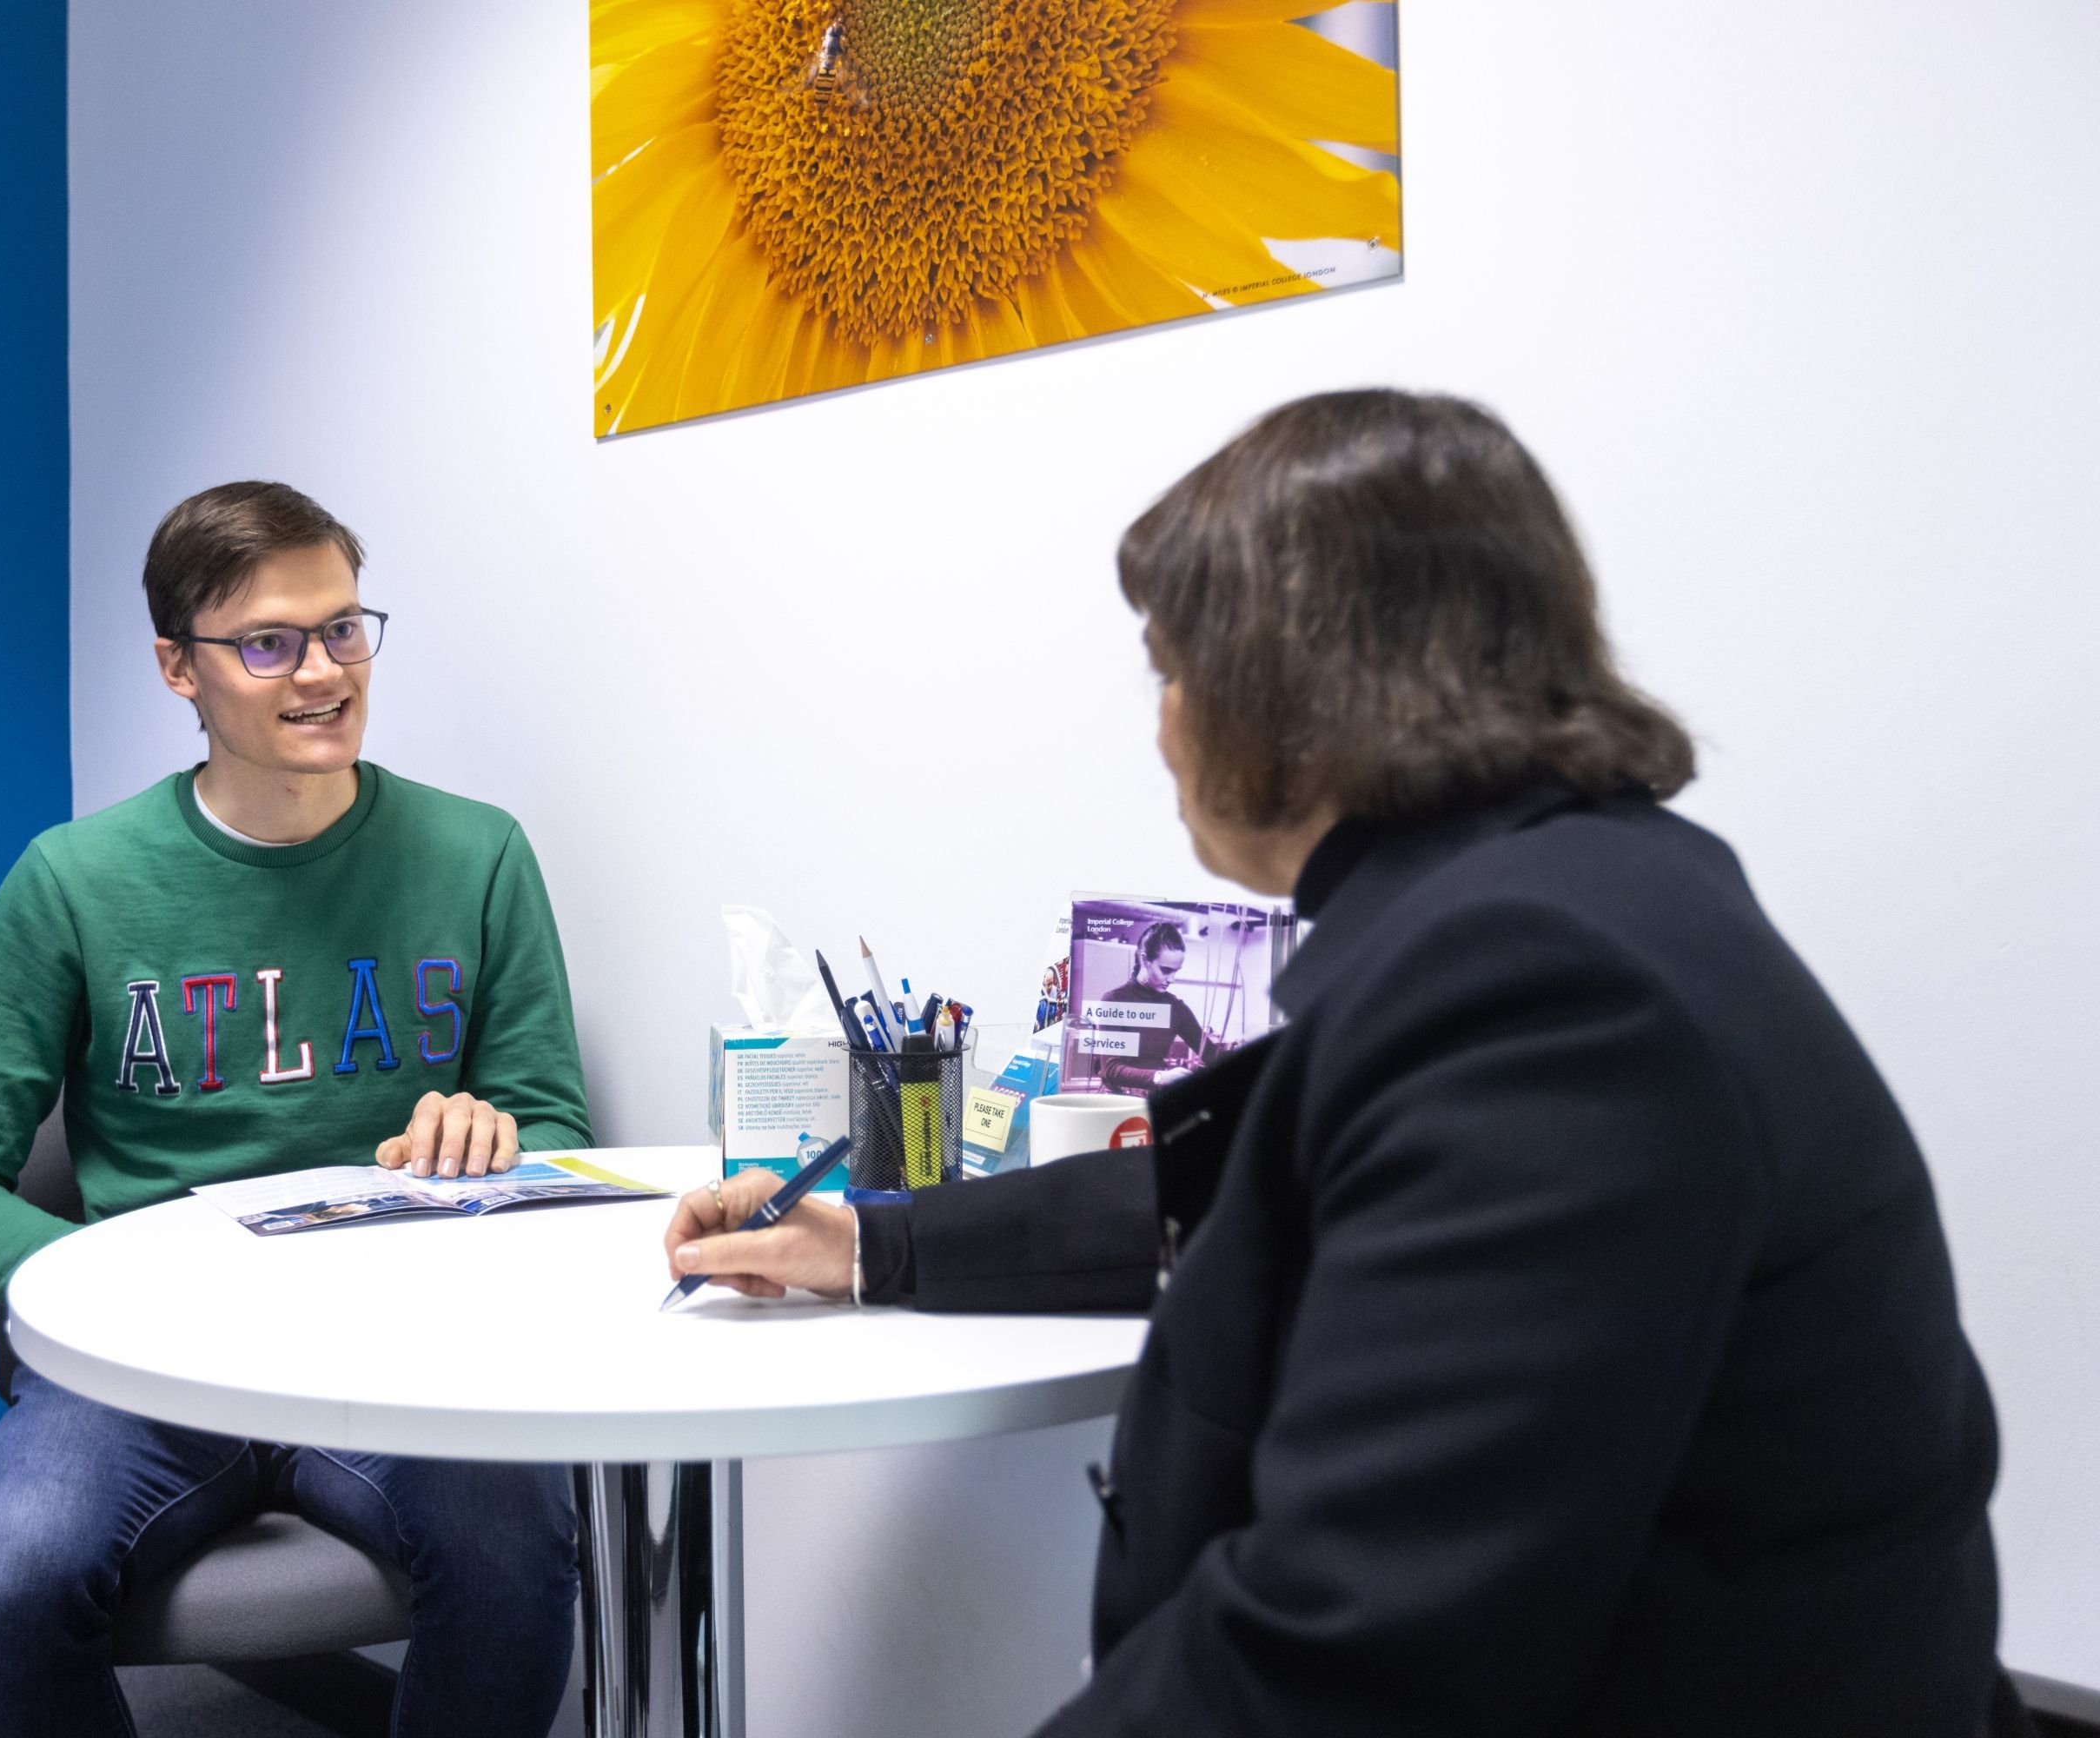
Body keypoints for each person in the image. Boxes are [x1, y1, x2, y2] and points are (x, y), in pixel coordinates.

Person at [665, 392, 2027, 1735]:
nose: (1160, 729)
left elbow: (1351, 1646)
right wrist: (871, 1241)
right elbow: (1259, 1180)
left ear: (1286, 683)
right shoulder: (1572, 902)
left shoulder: (1545, 991)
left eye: (1170, 669)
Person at [0, 481, 587, 1738]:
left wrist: (499, 1138)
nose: (321, 672)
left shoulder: (478, 855)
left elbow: (558, 1135)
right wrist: (109, 1281)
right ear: (177, 668)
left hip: (402, 1348)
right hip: (145, 1369)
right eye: (269, 644)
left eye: (342, 630)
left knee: (519, 1554)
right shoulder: (76, 879)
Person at [1090, 920, 1223, 1095]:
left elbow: (1211, 1054)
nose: (1172, 979)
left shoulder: (1176, 1008)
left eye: (1177, 970)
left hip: (1153, 1098)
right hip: (1117, 1100)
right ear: (1144, 959)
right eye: (1166, 970)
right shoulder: (1115, 1000)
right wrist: (1160, 1077)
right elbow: (1111, 1068)